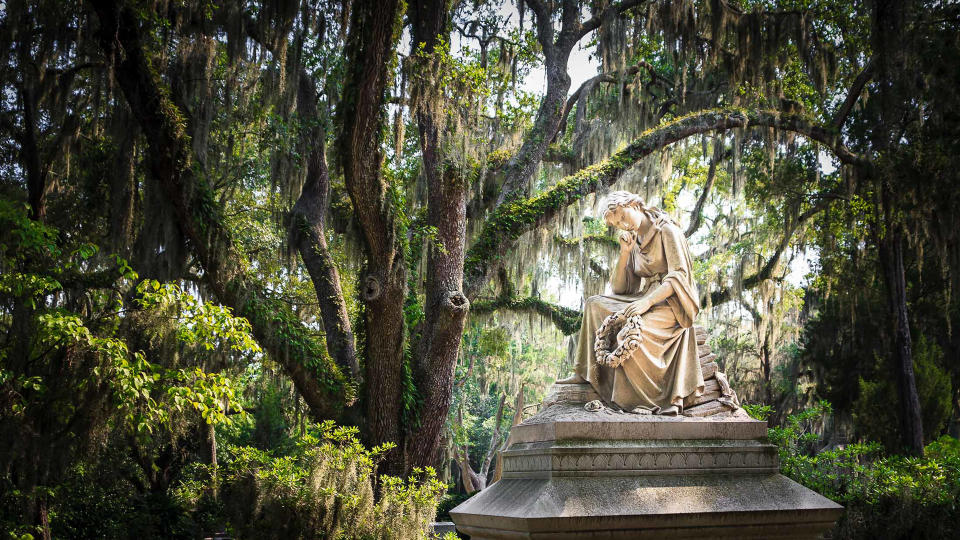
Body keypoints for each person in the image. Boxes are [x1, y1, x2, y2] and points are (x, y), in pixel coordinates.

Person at [557, 191, 703, 415]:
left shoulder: (667, 230)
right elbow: (622, 289)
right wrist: (625, 253)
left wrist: (647, 303)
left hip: (669, 303)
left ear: (635, 205)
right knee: (594, 304)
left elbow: (679, 276)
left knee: (630, 332)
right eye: (616, 223)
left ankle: (642, 400)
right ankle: (585, 372)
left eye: (622, 216)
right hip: (643, 297)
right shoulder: (635, 240)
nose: (622, 225)